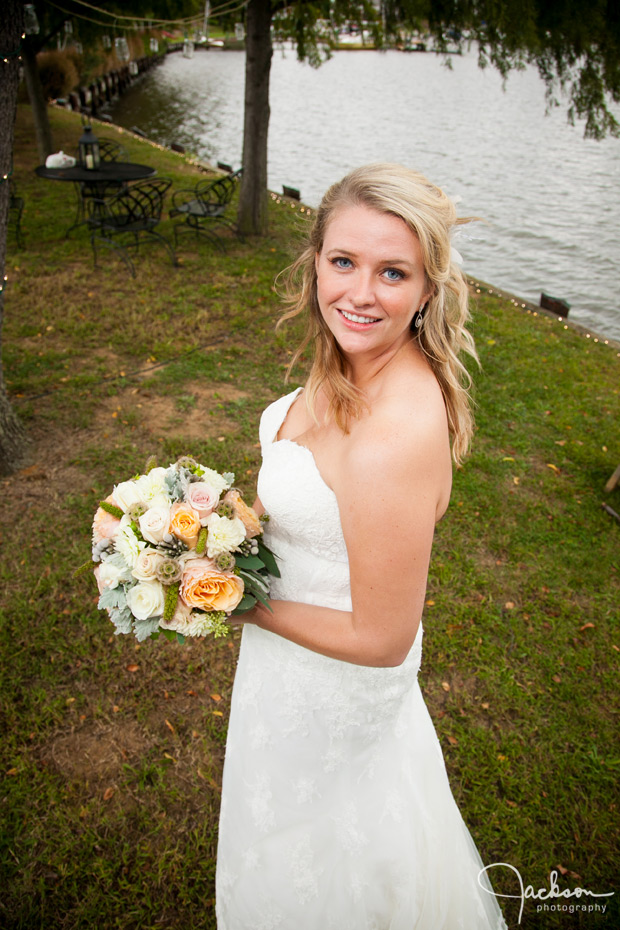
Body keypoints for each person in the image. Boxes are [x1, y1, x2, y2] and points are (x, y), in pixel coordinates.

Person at [215, 164, 506, 929]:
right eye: (344, 262)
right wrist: (214, 528)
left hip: (335, 687)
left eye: (393, 273)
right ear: (315, 260)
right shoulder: (348, 360)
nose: (361, 294)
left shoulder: (394, 436)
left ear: (427, 288)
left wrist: (237, 599)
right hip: (294, 670)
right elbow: (314, 505)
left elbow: (382, 637)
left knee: (330, 870)